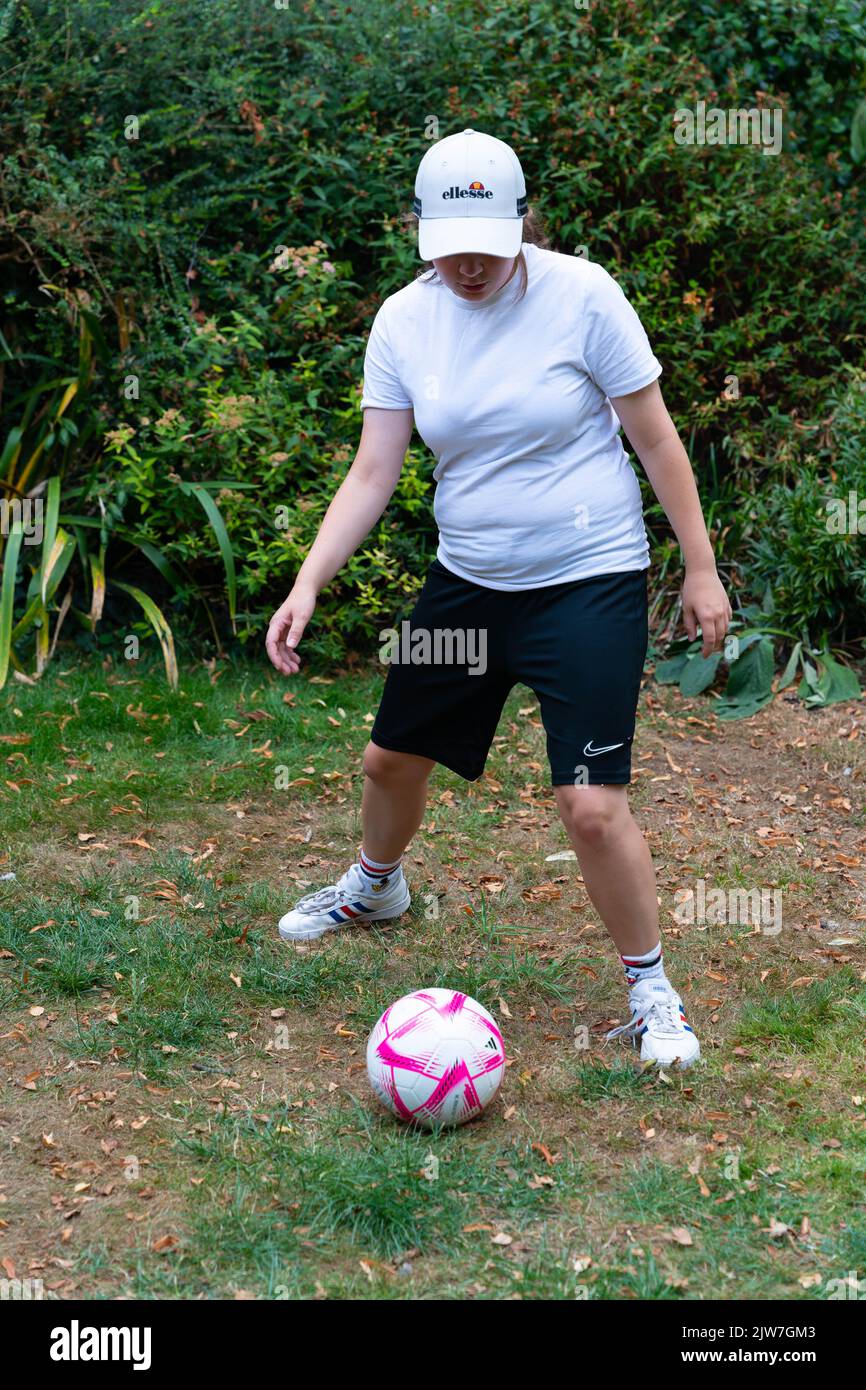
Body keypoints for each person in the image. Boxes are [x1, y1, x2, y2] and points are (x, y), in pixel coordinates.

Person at [266, 128, 732, 1069]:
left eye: (487, 241)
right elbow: (373, 470)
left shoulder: (583, 295)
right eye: (449, 246)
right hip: (469, 585)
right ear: (422, 232)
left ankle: (651, 989)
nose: (469, 264)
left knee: (591, 806)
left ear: (524, 222)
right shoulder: (405, 319)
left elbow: (655, 439)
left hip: (587, 583)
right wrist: (309, 579)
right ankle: (376, 886)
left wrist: (700, 565)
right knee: (389, 760)